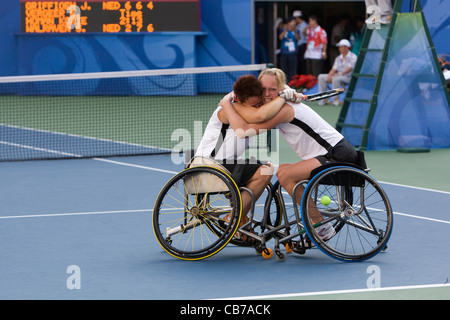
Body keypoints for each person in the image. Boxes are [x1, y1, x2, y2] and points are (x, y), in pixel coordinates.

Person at [220, 68, 359, 242]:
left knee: (285, 175)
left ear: (280, 89)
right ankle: (241, 219)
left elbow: (247, 130)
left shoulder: (284, 109)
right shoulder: (280, 102)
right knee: (284, 169)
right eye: (263, 89)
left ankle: (321, 225)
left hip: (337, 153)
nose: (268, 94)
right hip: (330, 153)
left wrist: (227, 103)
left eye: (273, 89)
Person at [194, 74, 297, 241]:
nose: (258, 107)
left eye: (259, 103)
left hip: (224, 166)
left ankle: (239, 219)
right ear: (241, 101)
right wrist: (285, 97)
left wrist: (291, 95)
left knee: (258, 168)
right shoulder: (227, 111)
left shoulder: (238, 106)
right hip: (211, 165)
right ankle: (234, 218)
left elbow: (266, 111)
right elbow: (255, 120)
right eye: (254, 104)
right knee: (265, 170)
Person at [317, 39, 357, 106]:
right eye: (339, 47)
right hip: (339, 76)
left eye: (341, 47)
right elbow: (334, 69)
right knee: (321, 76)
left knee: (336, 78)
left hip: (348, 77)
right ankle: (324, 98)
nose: (339, 49)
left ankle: (336, 99)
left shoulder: (353, 56)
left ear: (346, 47)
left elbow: (350, 68)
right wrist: (329, 75)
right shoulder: (338, 58)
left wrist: (339, 74)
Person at [279, 16, 300, 82]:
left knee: (293, 69)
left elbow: (298, 39)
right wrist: (285, 30)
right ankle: (285, 82)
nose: (294, 23)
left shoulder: (296, 30)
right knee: (284, 69)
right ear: (288, 23)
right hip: (284, 52)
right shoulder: (283, 29)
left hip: (293, 53)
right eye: (293, 22)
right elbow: (280, 37)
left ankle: (292, 82)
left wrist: (295, 31)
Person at [293, 10, 308, 75]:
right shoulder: (298, 25)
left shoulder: (304, 25)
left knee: (303, 62)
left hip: (303, 44)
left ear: (297, 18)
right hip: (299, 45)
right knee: (299, 62)